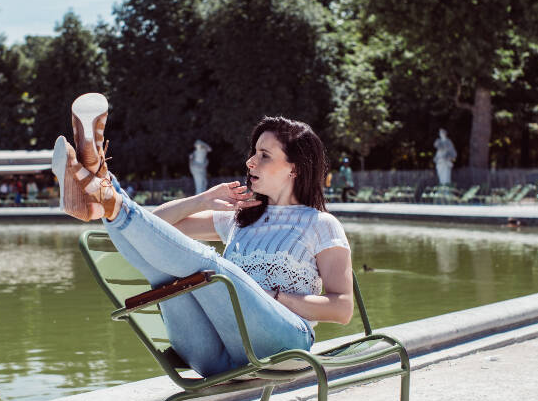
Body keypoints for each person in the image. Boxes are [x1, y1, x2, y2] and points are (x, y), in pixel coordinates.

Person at [53, 93, 354, 377]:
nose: (250, 162)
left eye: (264, 155)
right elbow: (154, 228)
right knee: (162, 272)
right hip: (213, 355)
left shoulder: (320, 224)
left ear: (295, 169)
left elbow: (342, 308)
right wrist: (202, 200)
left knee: (213, 271)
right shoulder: (239, 217)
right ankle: (102, 191)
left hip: (282, 346)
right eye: (253, 153)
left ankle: (103, 190)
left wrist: (273, 297)